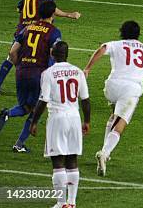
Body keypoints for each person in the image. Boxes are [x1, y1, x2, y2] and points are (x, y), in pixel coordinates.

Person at [83, 20, 143, 176]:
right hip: (130, 90)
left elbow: (102, 49)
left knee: (113, 117)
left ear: (122, 32)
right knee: (120, 125)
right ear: (138, 34)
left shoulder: (116, 44)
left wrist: (88, 68)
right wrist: (138, 71)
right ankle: (104, 153)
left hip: (111, 86)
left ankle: (106, 151)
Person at [0, 0, 80, 95]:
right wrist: (69, 14)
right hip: (39, 29)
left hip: (23, 29)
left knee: (11, 56)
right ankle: (50, 88)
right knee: (48, 55)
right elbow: (51, 8)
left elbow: (19, 8)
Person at [30, 41, 91, 208]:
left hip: (57, 118)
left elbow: (43, 100)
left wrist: (34, 122)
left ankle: (61, 202)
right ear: (67, 54)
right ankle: (72, 203)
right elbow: (85, 99)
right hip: (74, 117)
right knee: (72, 160)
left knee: (58, 162)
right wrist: (86, 121)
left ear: (52, 54)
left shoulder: (48, 73)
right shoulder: (78, 72)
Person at [0, 0, 62, 153]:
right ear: (53, 14)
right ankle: (19, 144)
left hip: (22, 72)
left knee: (25, 107)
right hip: (39, 75)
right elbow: (54, 54)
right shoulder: (54, 31)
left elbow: (12, 52)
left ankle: (7, 114)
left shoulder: (27, 28)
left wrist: (19, 66)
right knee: (35, 110)